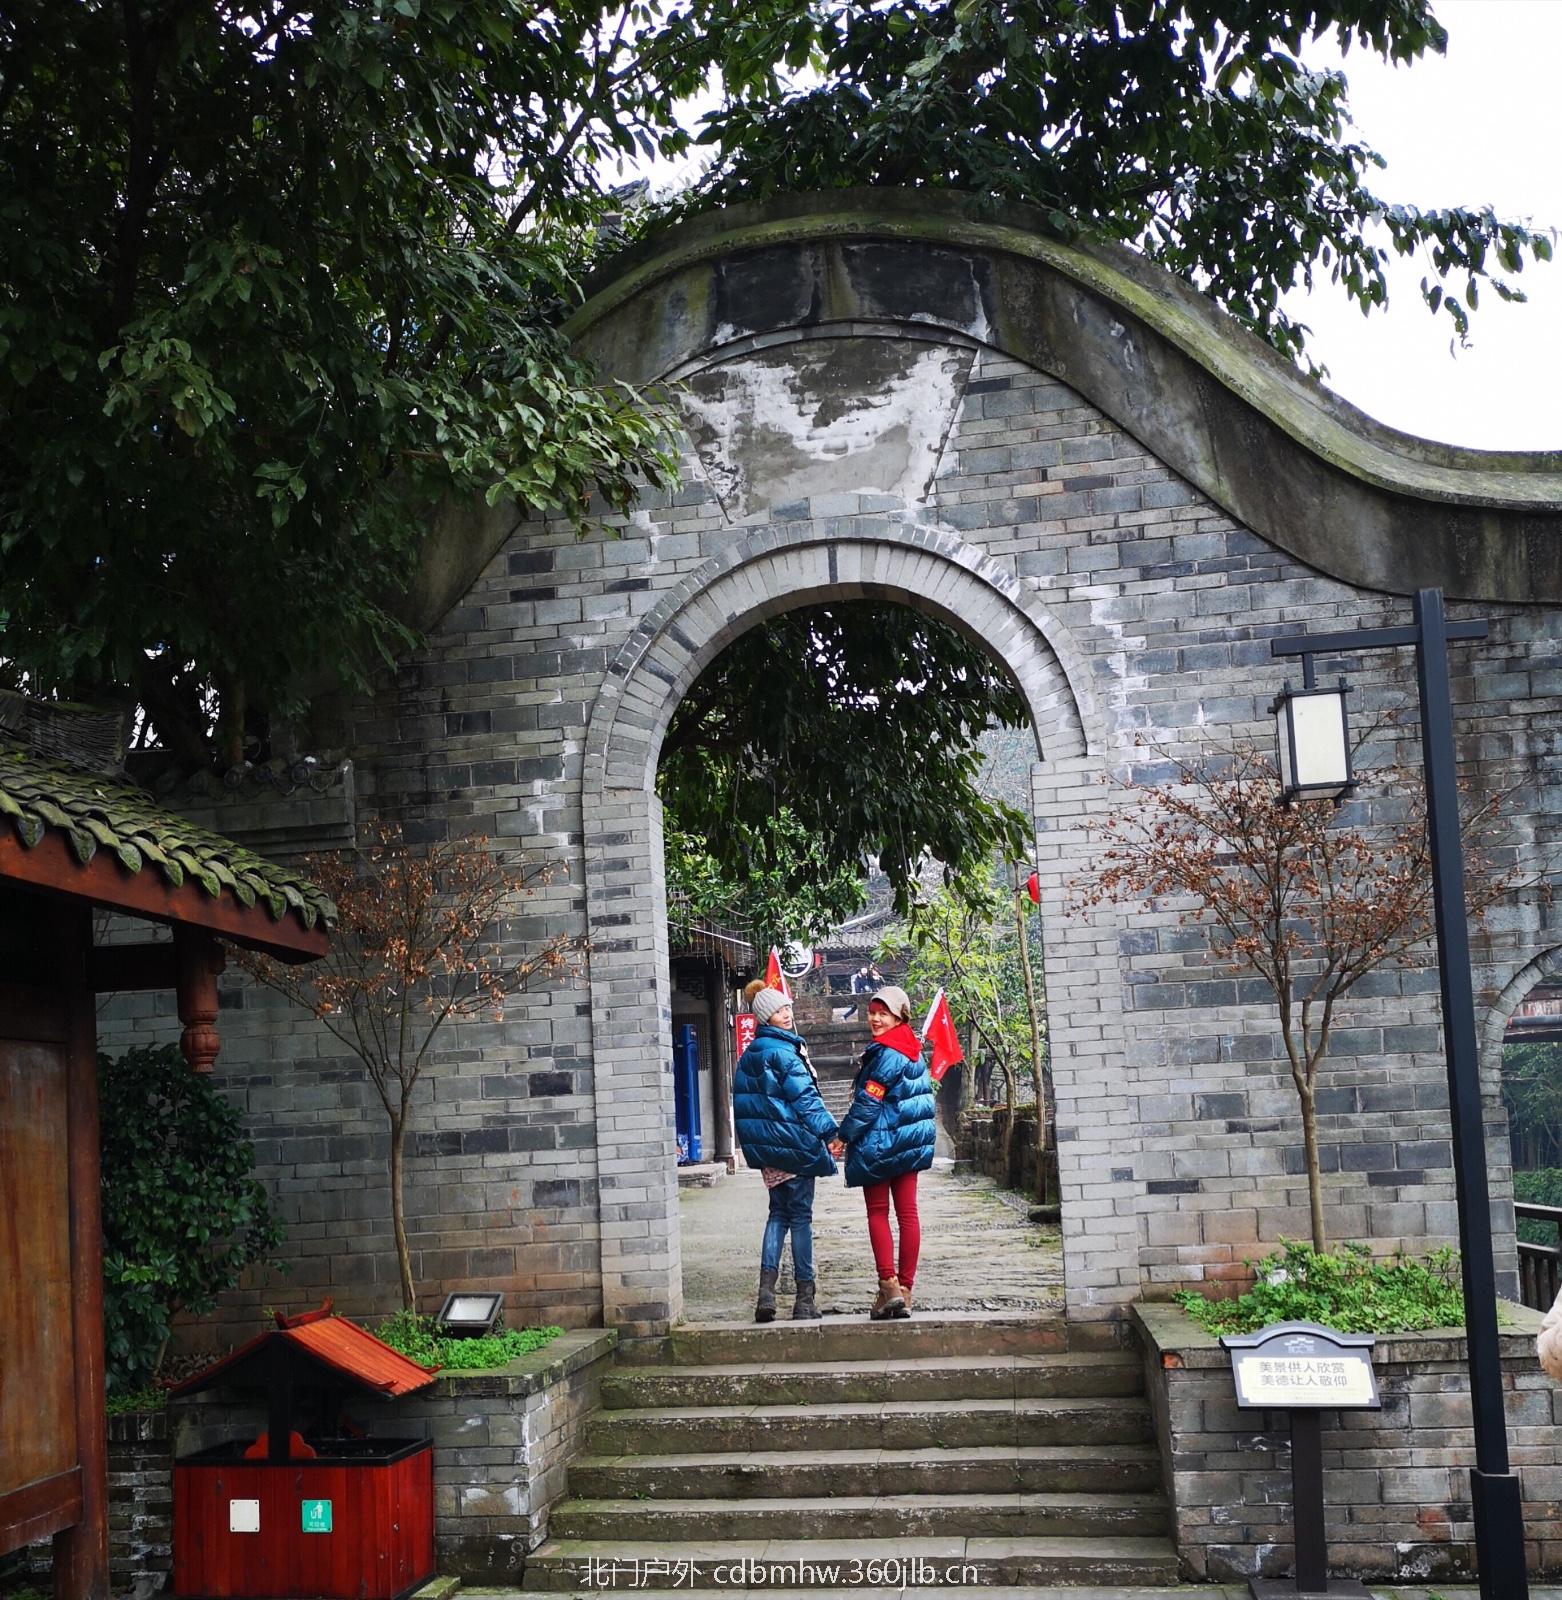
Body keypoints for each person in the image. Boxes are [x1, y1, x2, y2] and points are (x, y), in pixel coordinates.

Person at [732, 984, 839, 1322]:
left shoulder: (748, 1056)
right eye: (779, 1011)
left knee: (777, 1215)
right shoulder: (784, 1053)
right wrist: (830, 1132)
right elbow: (805, 1099)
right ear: (766, 1017)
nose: (787, 1014)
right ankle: (804, 1298)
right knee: (800, 1218)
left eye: (787, 1008)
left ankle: (766, 1293)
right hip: (794, 1144)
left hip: (768, 1151)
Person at [832, 985, 936, 1319]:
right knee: (908, 1214)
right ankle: (906, 1291)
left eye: (884, 1014)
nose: (875, 1019)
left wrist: (843, 1136)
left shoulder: (887, 1052)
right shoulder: (913, 1049)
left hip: (880, 1143)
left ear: (899, 1017)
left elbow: (868, 1102)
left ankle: (889, 1286)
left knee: (878, 1212)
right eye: (872, 1013)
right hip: (909, 1143)